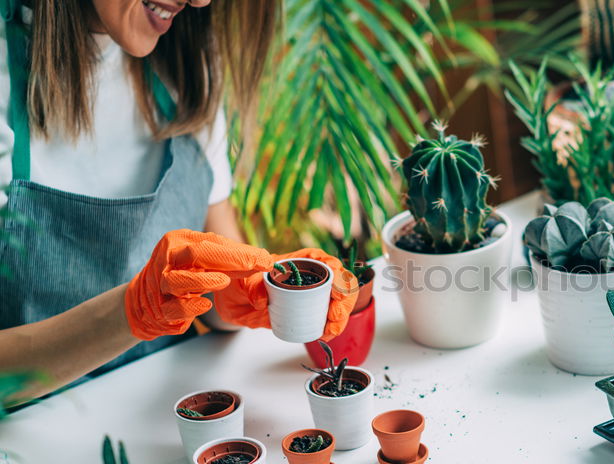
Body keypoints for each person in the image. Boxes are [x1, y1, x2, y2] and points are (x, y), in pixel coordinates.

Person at [0, 0, 357, 405]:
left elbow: (217, 285)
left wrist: (254, 291)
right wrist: (133, 311)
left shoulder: (187, 58)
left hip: (163, 420)